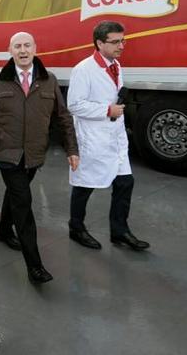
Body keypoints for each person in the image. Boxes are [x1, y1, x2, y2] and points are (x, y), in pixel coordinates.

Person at [0, 32, 78, 284]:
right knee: (23, 201)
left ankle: (2, 231)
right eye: (17, 46)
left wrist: (72, 149)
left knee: (15, 192)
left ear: (35, 48)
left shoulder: (48, 80)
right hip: (7, 153)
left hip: (34, 153)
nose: (23, 50)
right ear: (10, 50)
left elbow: (63, 118)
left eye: (27, 45)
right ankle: (35, 266)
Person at [66, 20, 149, 252]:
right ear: (100, 43)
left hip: (114, 136)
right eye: (115, 42)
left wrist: (114, 111)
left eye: (123, 40)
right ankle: (76, 227)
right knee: (85, 185)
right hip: (92, 137)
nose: (121, 46)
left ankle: (120, 231)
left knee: (125, 182)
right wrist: (106, 111)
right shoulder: (83, 69)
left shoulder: (116, 65)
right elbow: (74, 105)